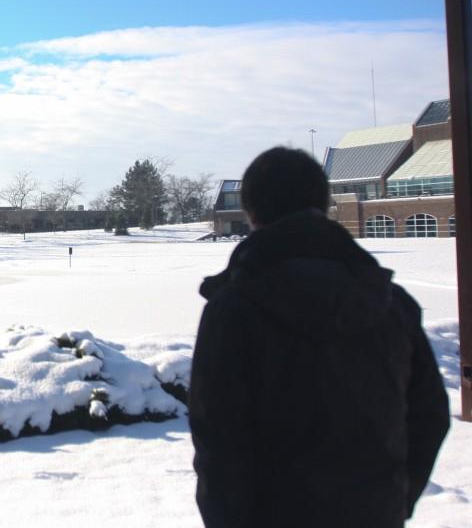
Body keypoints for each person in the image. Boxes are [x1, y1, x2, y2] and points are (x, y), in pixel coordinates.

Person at [189, 146, 450, 528]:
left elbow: (218, 443)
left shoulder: (233, 311)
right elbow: (430, 415)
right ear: (325, 204)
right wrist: (394, 498)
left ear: (251, 212)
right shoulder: (392, 303)